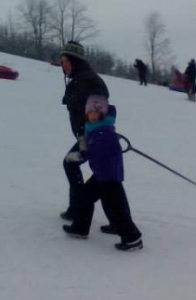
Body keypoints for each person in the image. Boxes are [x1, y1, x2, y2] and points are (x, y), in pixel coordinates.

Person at [62, 95, 143, 251]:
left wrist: (80, 155)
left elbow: (96, 152)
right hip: (101, 174)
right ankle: (80, 228)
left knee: (115, 209)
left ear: (102, 115)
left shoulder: (104, 131)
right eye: (90, 113)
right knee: (84, 197)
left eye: (96, 113)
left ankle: (132, 238)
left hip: (109, 177)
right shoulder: (95, 129)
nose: (92, 116)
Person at [59, 41, 109, 222]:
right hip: (91, 135)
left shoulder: (87, 80)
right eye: (62, 61)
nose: (63, 65)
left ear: (75, 61)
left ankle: (77, 208)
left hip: (94, 136)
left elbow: (101, 105)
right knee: (105, 177)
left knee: (71, 164)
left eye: (66, 61)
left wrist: (88, 134)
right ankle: (118, 221)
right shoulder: (81, 79)